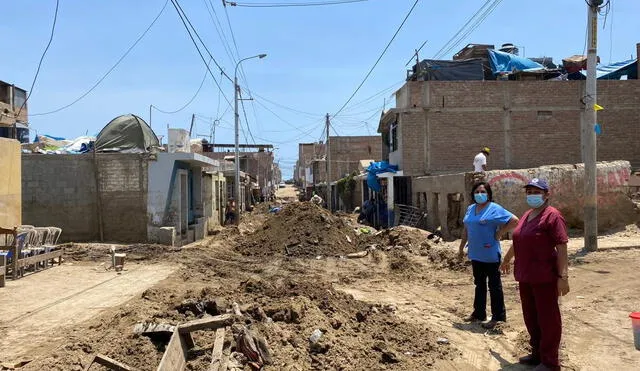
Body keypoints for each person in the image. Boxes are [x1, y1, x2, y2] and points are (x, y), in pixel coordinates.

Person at [500, 178, 569, 371]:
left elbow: (562, 247)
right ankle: (537, 354)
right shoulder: (527, 215)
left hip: (545, 277)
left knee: (548, 319)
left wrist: (563, 277)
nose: (532, 195)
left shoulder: (553, 216)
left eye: (536, 192)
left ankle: (550, 362)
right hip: (525, 276)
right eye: (529, 192)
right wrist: (507, 259)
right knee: (531, 317)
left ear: (546, 195)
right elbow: (518, 240)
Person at [458, 181, 519, 329]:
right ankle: (479, 313)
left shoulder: (494, 208)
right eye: (477, 192)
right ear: (473, 194)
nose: (480, 194)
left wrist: (500, 232)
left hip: (490, 254)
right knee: (479, 284)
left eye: (483, 191)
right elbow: (467, 229)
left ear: (488, 194)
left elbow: (514, 220)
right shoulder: (470, 209)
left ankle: (498, 317)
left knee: (494, 286)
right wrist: (461, 248)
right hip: (475, 253)